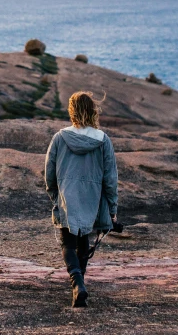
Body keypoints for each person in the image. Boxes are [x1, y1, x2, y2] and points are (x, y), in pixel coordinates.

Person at [44, 91, 119, 308]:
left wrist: (54, 195)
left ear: (72, 111)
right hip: (92, 198)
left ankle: (77, 283)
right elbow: (110, 178)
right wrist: (112, 207)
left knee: (68, 243)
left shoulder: (59, 138)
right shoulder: (103, 140)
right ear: (92, 110)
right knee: (83, 240)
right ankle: (80, 286)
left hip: (67, 196)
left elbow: (49, 171)